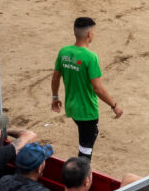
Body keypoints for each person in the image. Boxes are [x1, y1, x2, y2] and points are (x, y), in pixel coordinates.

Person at [51, 16, 124, 160]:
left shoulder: (64, 52)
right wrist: (114, 105)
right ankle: (79, 178)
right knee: (85, 152)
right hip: (87, 110)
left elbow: (55, 78)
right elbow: (97, 88)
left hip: (71, 107)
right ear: (90, 34)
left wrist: (55, 97)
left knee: (85, 140)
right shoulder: (90, 57)